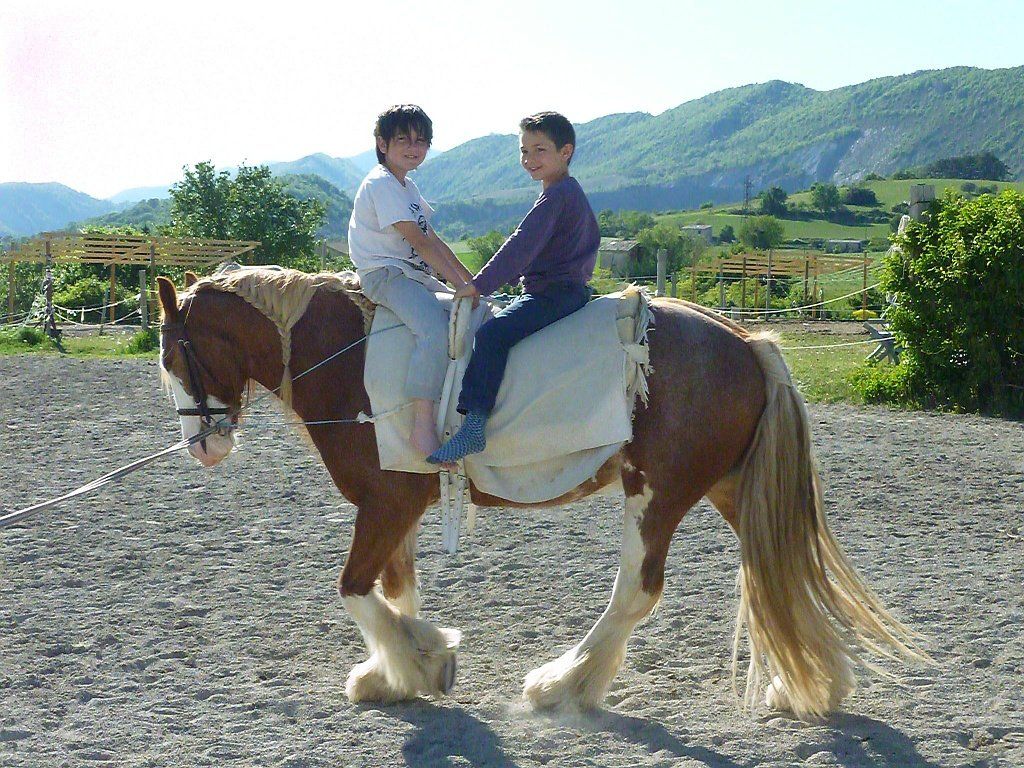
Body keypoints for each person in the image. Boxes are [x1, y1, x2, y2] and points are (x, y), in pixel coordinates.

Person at [427, 111, 599, 465]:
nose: (529, 160)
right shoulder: (565, 191)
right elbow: (536, 250)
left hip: (554, 293)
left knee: (491, 336)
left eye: (540, 150)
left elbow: (521, 245)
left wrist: (478, 286)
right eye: (524, 151)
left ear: (565, 151)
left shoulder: (557, 196)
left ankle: (474, 424)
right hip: (562, 288)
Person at [348, 105, 475, 456]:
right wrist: (460, 284)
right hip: (385, 274)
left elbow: (433, 239)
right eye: (403, 138)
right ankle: (422, 426)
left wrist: (472, 282)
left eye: (422, 140)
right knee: (434, 328)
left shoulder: (407, 187)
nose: (413, 147)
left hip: (411, 273)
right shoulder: (381, 184)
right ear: (382, 143)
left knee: (471, 313)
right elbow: (418, 243)